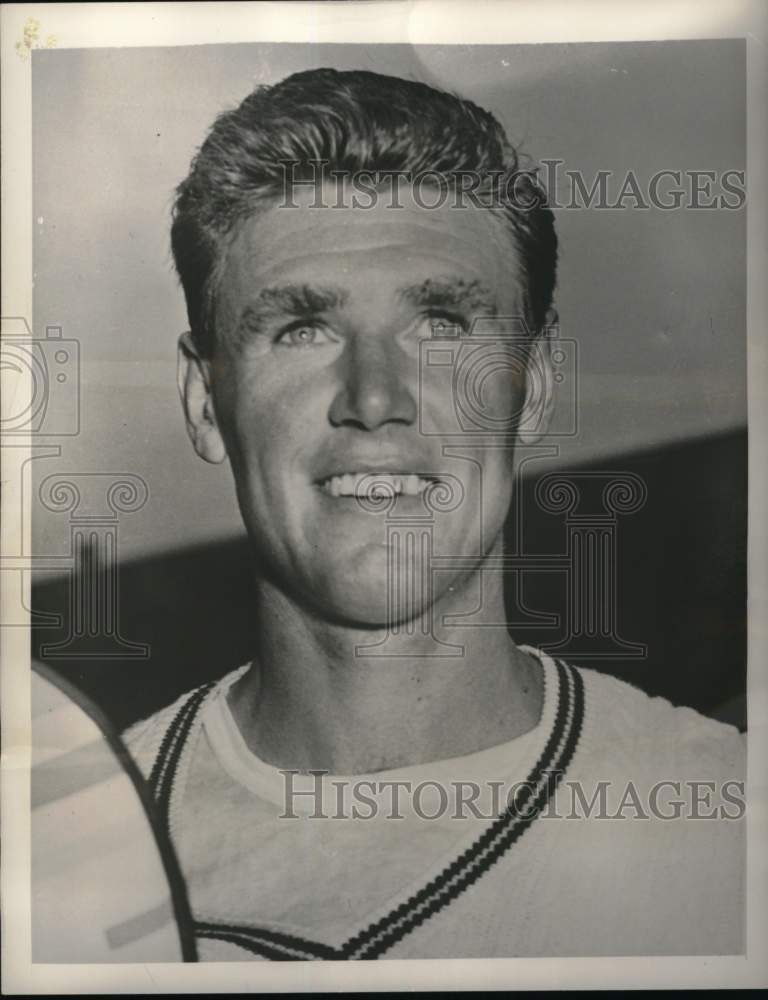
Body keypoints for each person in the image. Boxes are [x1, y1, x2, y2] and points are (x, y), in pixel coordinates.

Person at [124, 68, 745, 960]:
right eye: (301, 328)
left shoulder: (728, 832)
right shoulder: (67, 852)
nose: (374, 399)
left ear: (534, 387)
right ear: (202, 400)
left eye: (444, 322)